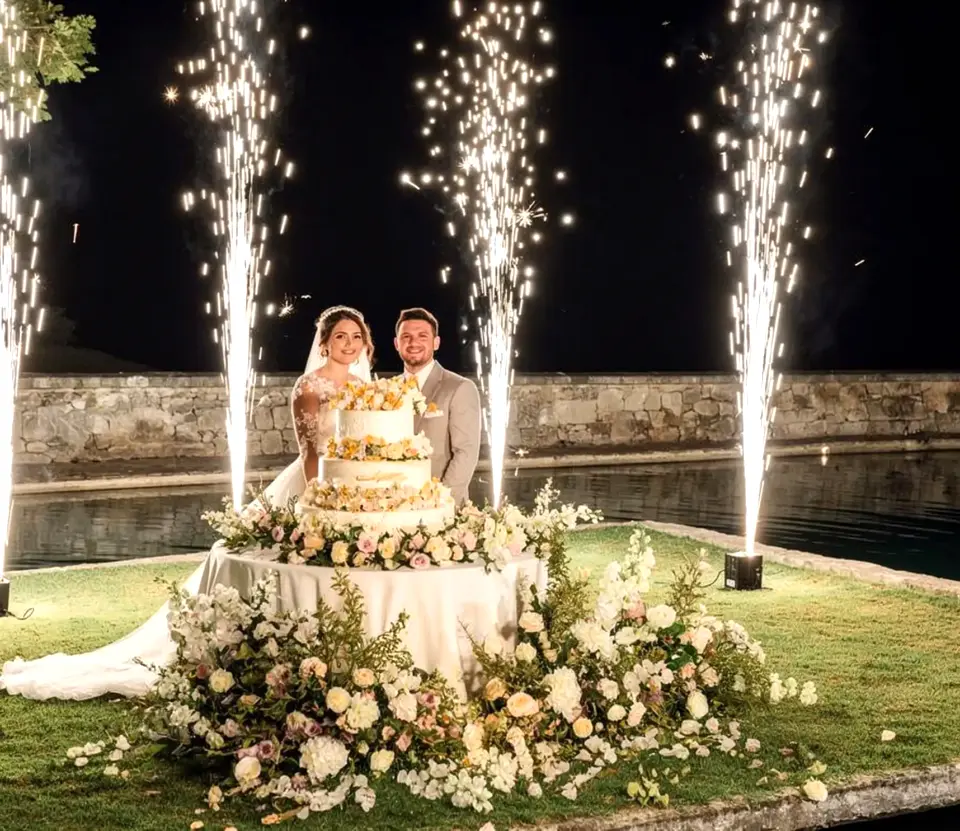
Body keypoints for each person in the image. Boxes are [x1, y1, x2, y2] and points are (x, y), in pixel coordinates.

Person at [0, 306, 373, 702]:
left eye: (356, 337)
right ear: (324, 343)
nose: (349, 344)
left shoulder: (365, 387)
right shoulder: (309, 386)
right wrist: (319, 497)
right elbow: (309, 450)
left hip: (356, 487)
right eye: (340, 336)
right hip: (313, 485)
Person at [394, 307, 481, 505]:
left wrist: (441, 502)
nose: (413, 342)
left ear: (436, 342)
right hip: (393, 507)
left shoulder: (459, 388)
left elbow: (465, 453)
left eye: (422, 336)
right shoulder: (387, 391)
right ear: (397, 344)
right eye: (406, 337)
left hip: (439, 506)